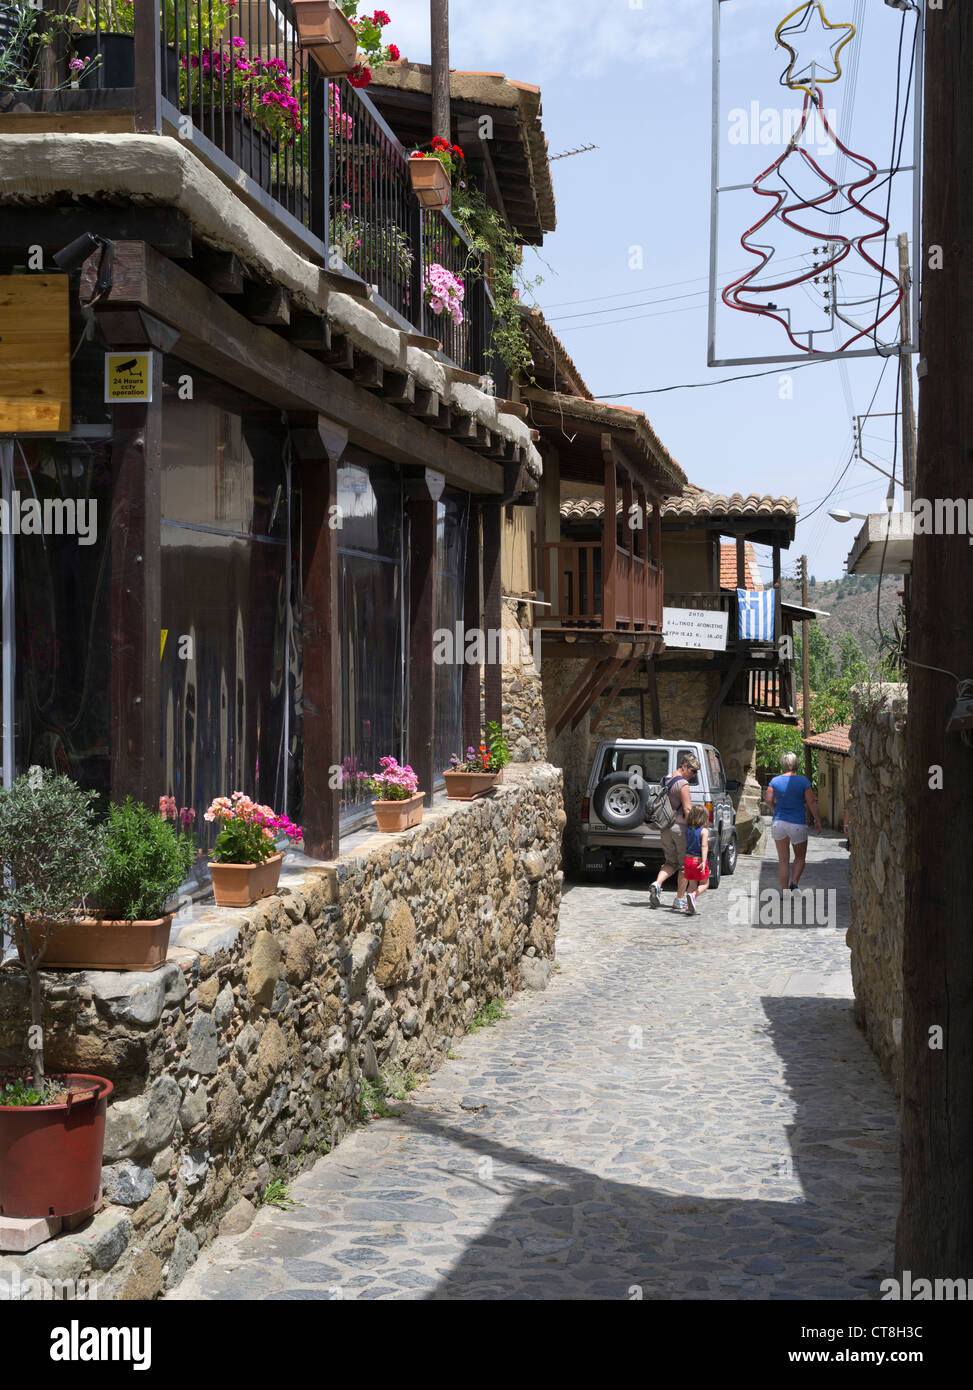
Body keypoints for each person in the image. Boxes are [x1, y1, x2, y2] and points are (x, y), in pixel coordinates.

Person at [765, 751, 822, 891]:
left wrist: (775, 809)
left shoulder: (775, 781)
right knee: (800, 857)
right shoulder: (803, 782)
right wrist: (818, 821)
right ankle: (794, 882)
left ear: (783, 764)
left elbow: (768, 800)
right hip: (797, 823)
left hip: (779, 823)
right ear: (796, 764)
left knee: (783, 860)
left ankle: (784, 891)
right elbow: (811, 802)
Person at [648, 754, 699, 911]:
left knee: (670, 862)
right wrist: (696, 828)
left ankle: (657, 884)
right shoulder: (683, 784)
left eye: (696, 771)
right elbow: (687, 809)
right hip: (679, 828)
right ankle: (679, 899)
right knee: (684, 865)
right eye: (693, 770)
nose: (694, 774)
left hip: (665, 828)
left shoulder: (665, 779)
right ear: (684, 766)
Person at [677, 805, 711, 916]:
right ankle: (693, 896)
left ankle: (689, 907)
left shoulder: (687, 829)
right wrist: (703, 861)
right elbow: (704, 846)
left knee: (691, 885)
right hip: (698, 861)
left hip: (688, 860)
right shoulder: (704, 831)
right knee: (705, 884)